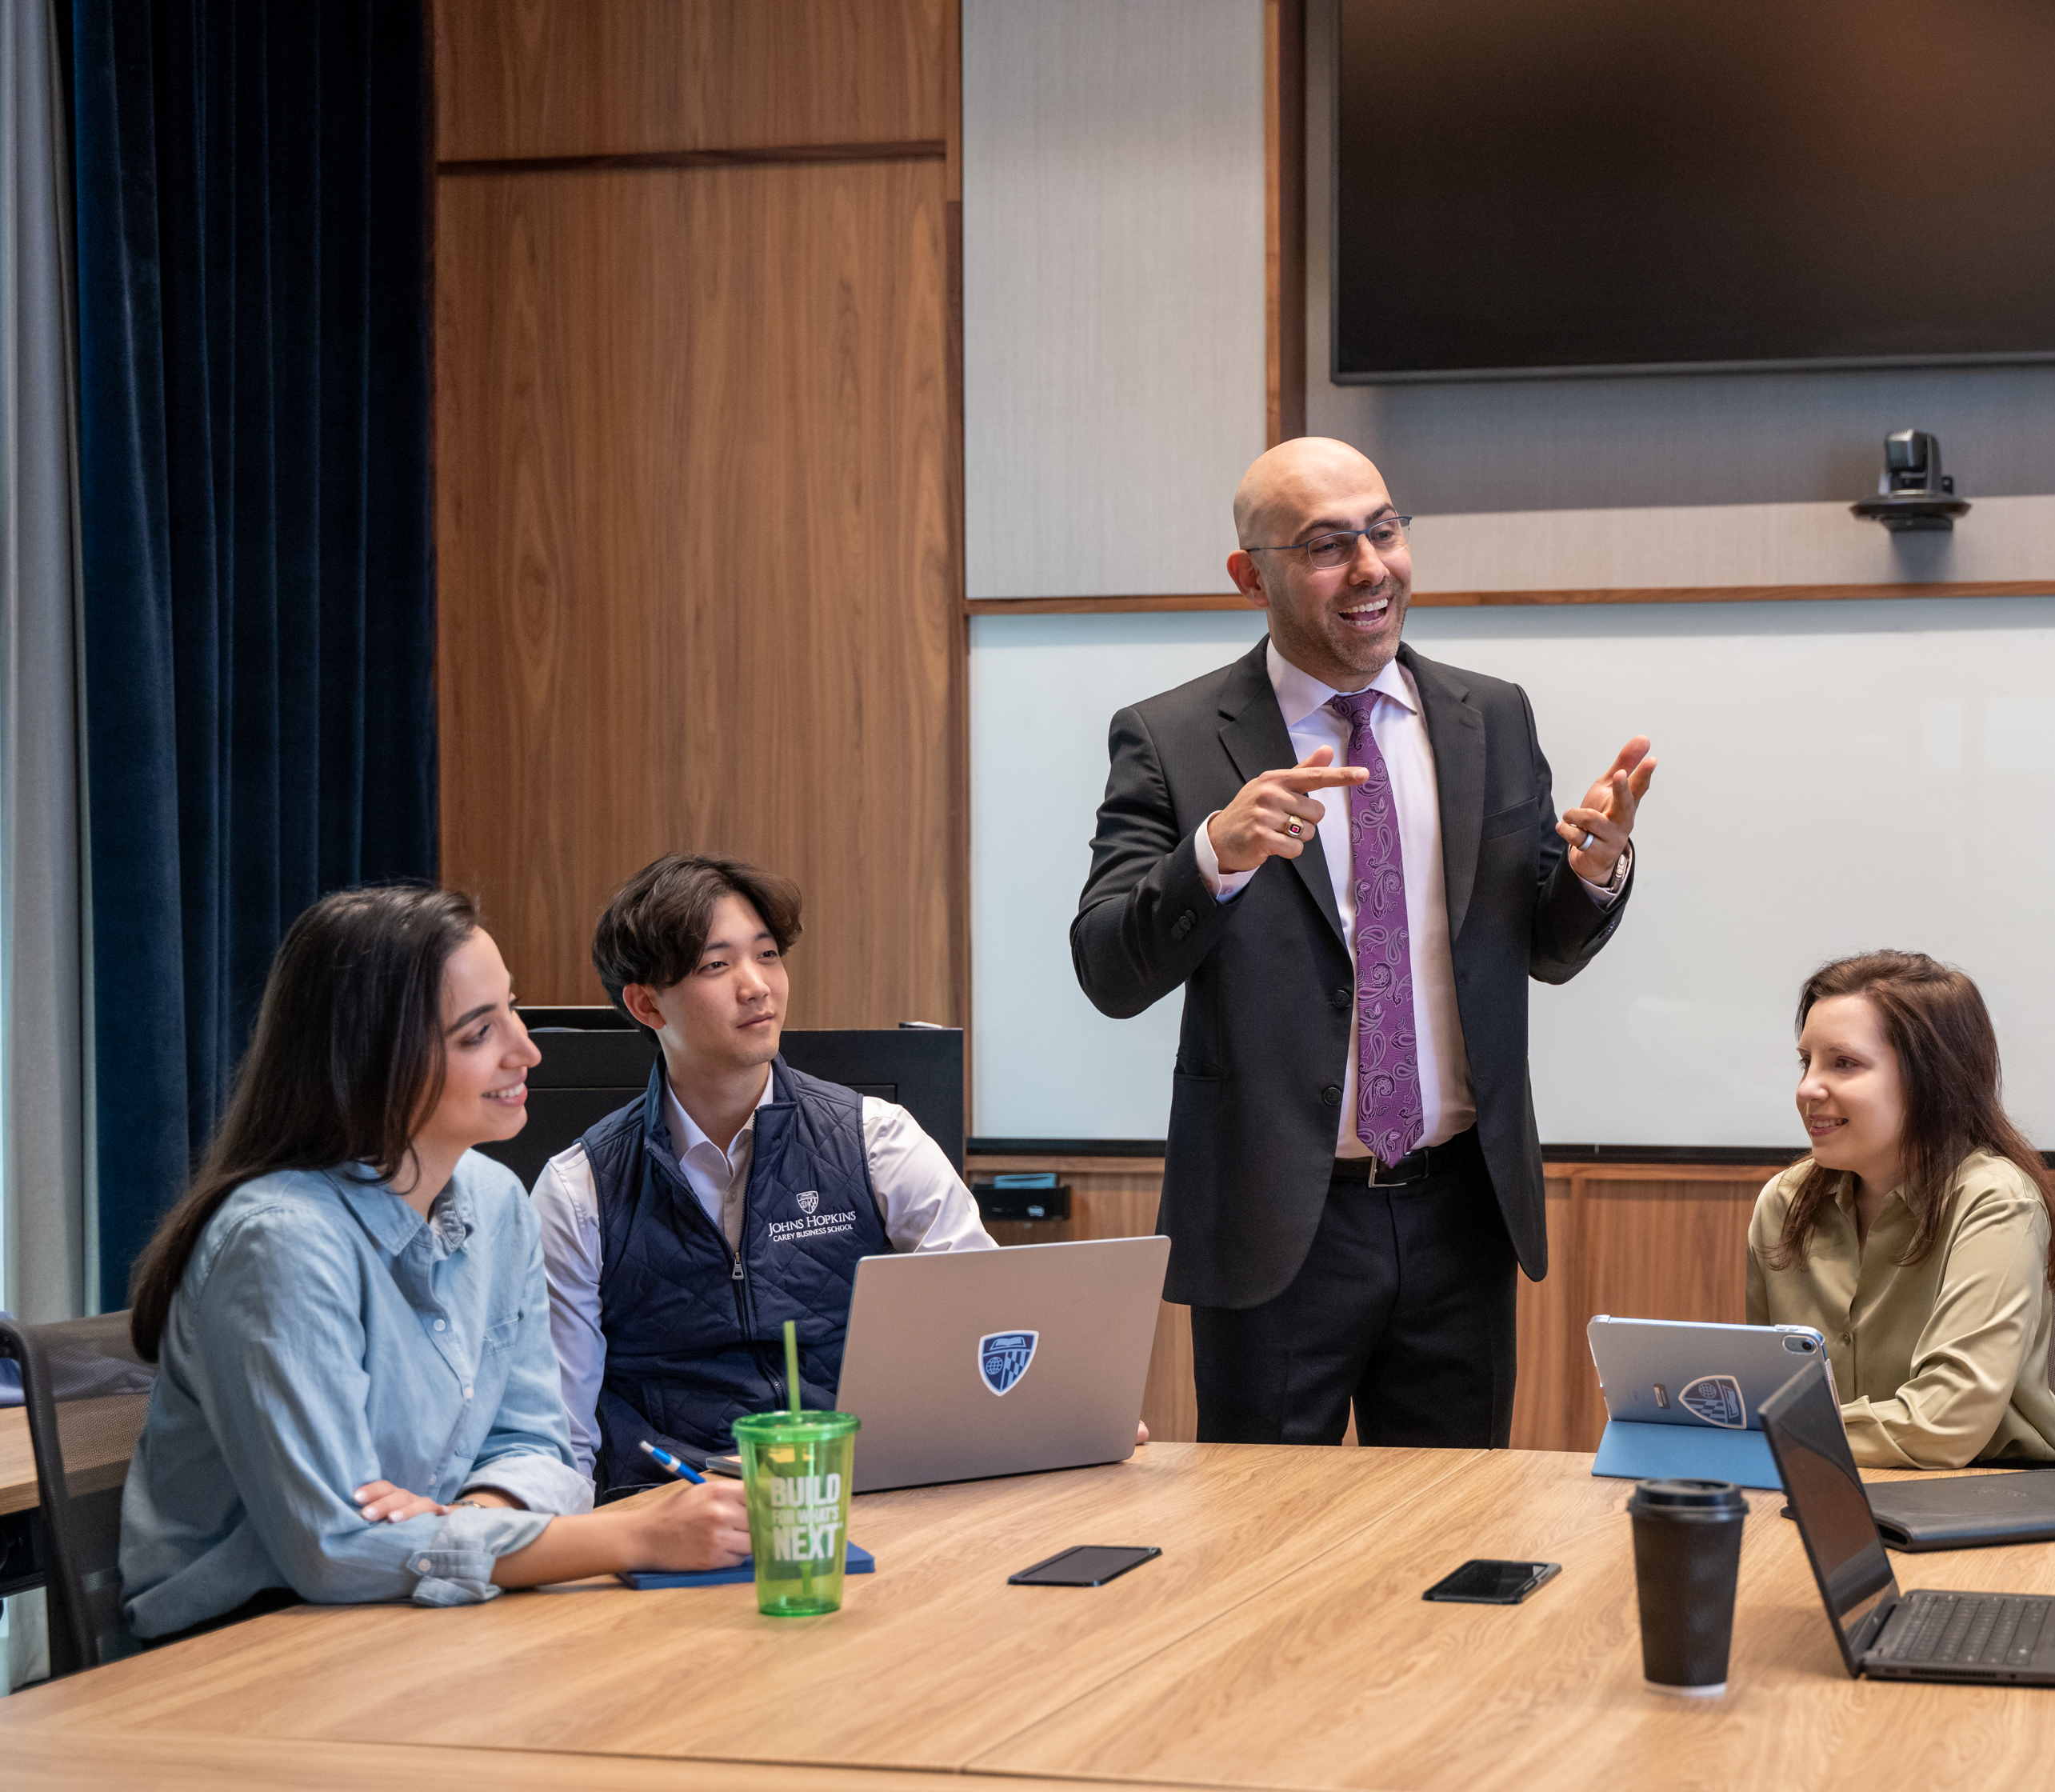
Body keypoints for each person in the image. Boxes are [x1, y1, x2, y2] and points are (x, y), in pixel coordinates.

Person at [1069, 436, 1656, 1446]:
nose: (1371, 567)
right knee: (1265, 1555)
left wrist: (1596, 869)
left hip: (1459, 1213)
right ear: (1249, 575)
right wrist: (1212, 852)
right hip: (1276, 1223)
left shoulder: (1491, 717)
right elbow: (1108, 970)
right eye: (1326, 546)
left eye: (1383, 531)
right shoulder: (1171, 738)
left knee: (1455, 1548)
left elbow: (1543, 948)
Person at [120, 887, 750, 1642]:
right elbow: (337, 1549)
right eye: (479, 1033)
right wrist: (637, 1537)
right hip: (241, 1644)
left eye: (511, 1010)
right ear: (370, 1059)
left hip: (418, 1616)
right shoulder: (281, 1242)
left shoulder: (497, 1200)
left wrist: (468, 1519)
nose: (527, 1049)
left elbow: (542, 1450)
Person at [533, 854, 994, 1498]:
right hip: (674, 1512)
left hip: (862, 1496)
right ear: (646, 1004)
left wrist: (1059, 1406)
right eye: (717, 965)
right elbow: (559, 1436)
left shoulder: (875, 1137)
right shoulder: (579, 1189)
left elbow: (987, 1312)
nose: (758, 986)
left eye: (769, 954)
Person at [1745, 951, 2055, 1469]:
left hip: (1994, 1503)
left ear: (1930, 1079)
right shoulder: (1783, 1203)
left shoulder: (1995, 1201)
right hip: (1830, 1488)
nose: (1807, 1087)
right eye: (1807, 1061)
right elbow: (1766, 1391)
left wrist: (1768, 1432)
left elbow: (1947, 1423)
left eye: (1844, 1063)